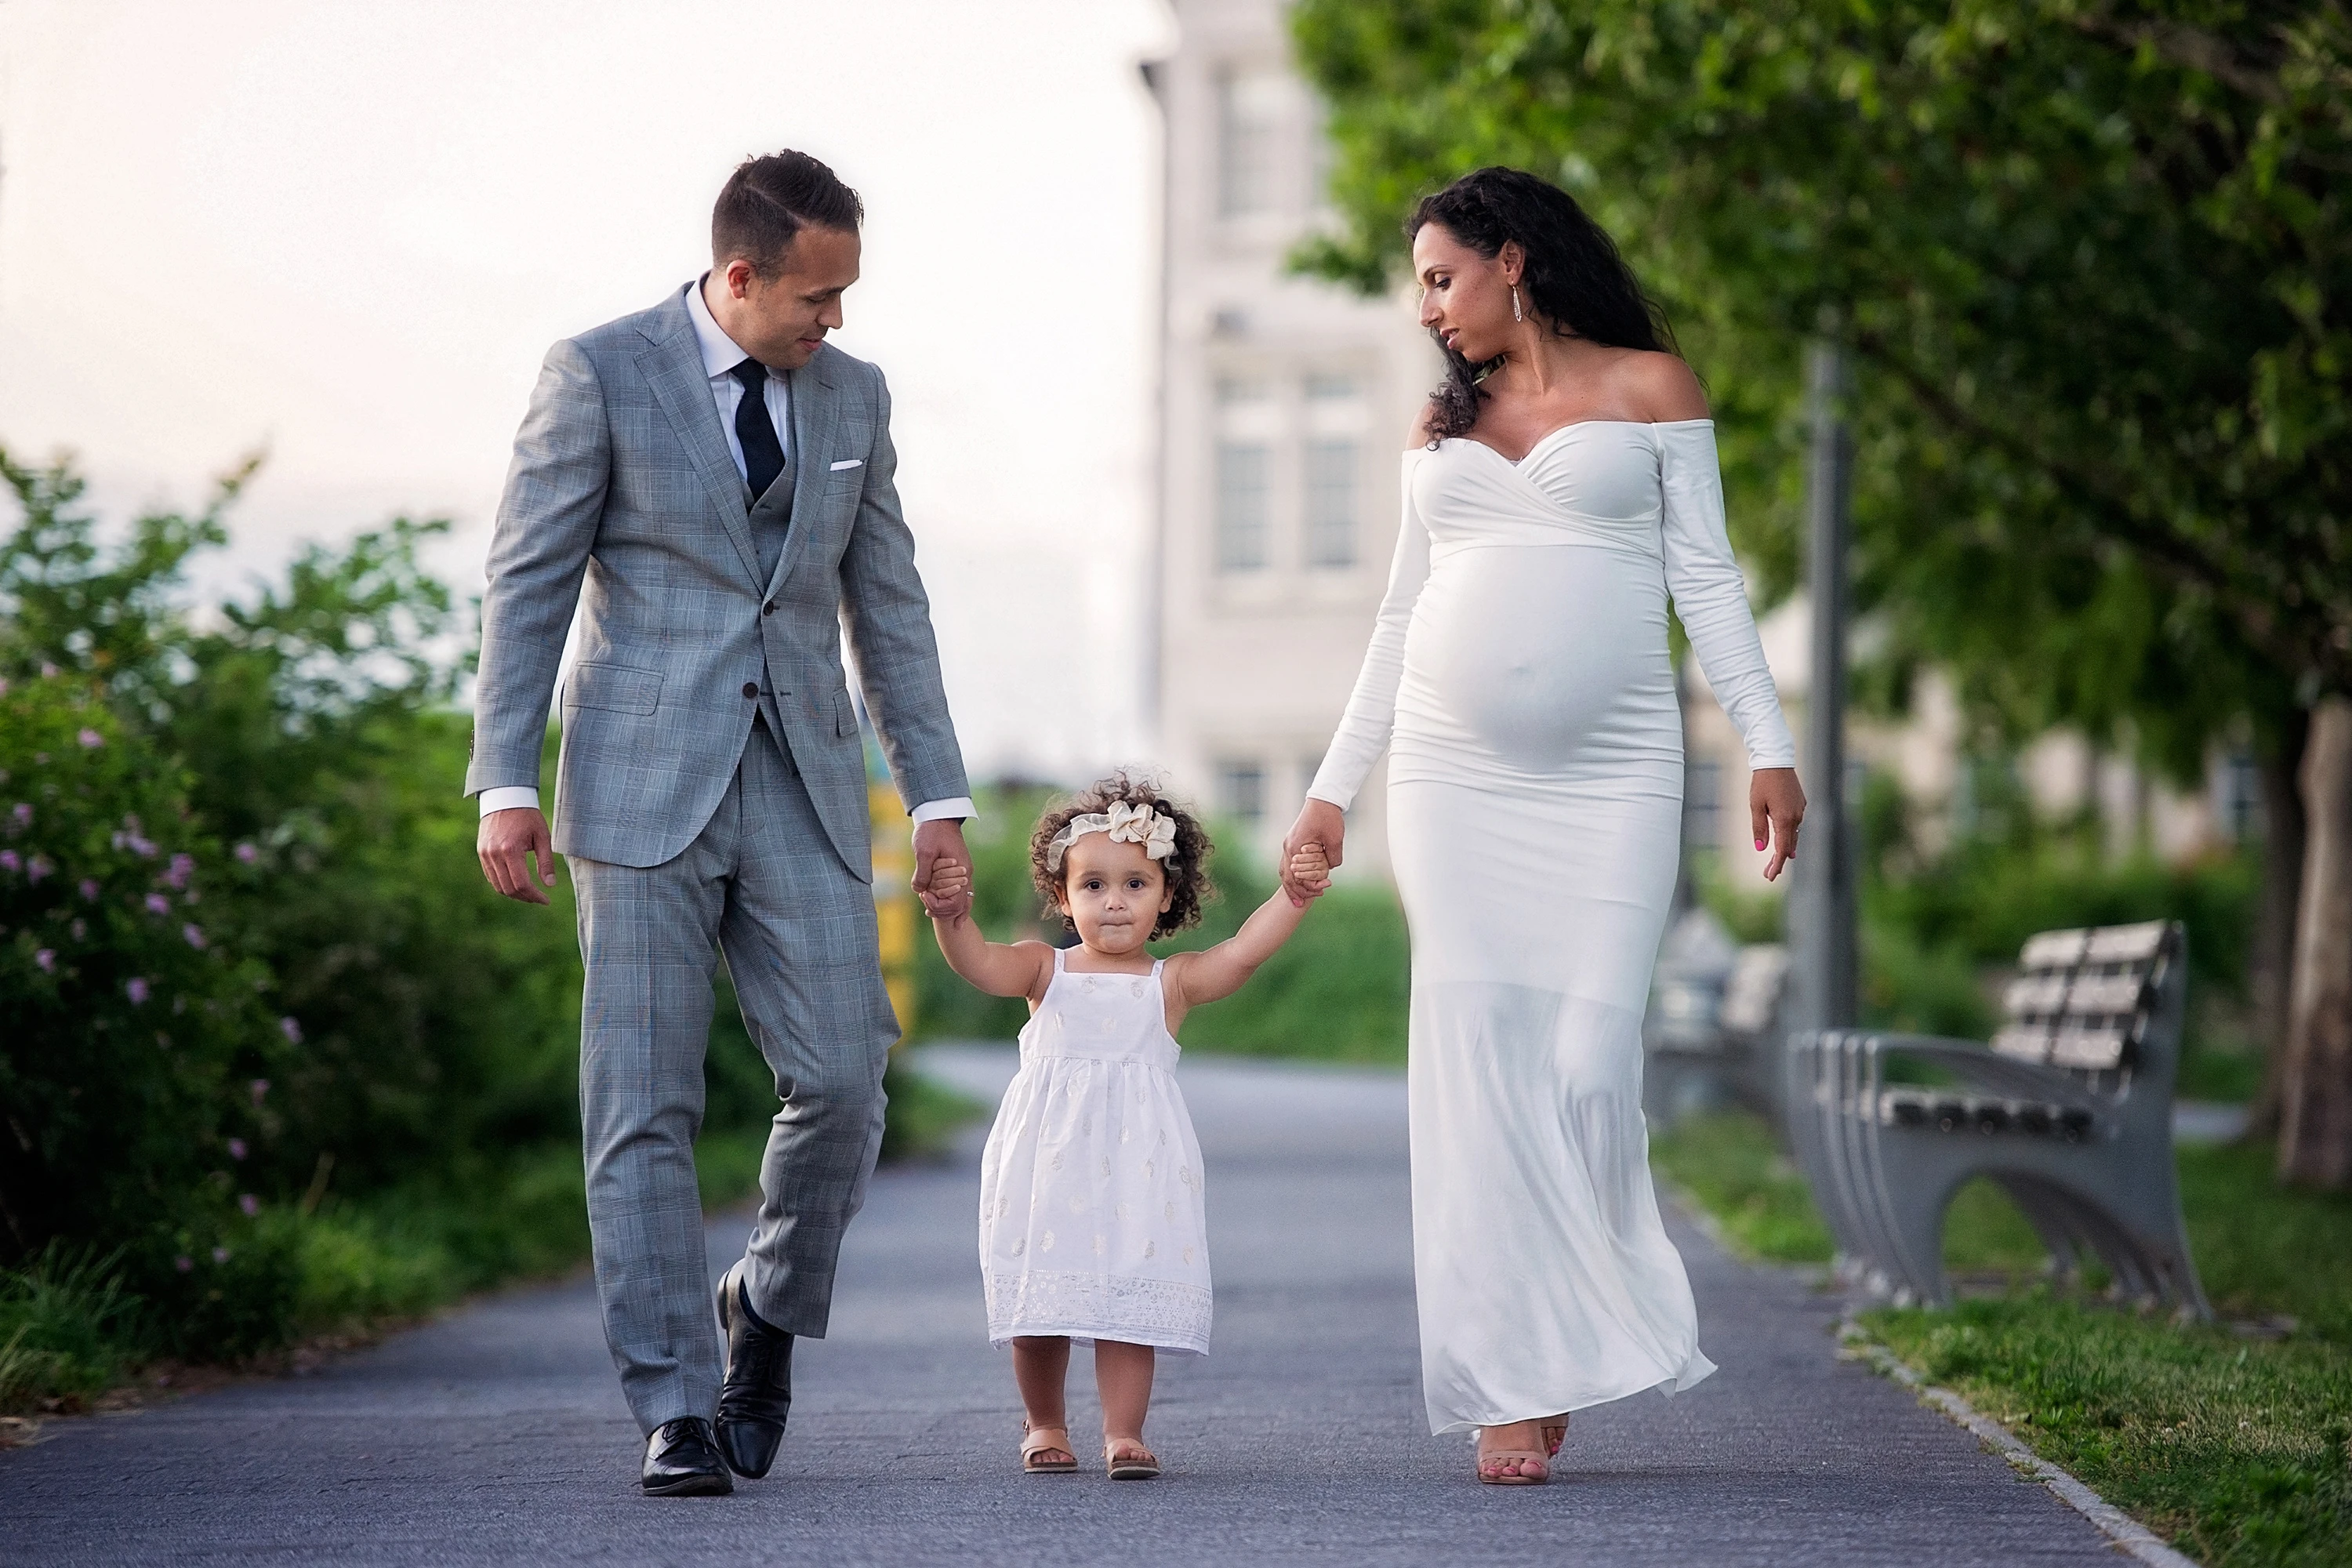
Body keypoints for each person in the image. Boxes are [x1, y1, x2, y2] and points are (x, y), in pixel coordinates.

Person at [1281, 166, 1806, 1486]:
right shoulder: (1438, 428)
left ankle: (1573, 1326)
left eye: (1442, 278)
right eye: (1419, 286)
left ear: (1514, 261)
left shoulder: (1652, 391)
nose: (1428, 310)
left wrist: (1772, 743)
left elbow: (1711, 584)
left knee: (1581, 1069)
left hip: (1618, 778)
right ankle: (1514, 1375)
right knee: (1475, 1076)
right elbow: (1401, 621)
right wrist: (1334, 788)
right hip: (1454, 789)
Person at [467, 151, 975, 1497]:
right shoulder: (600, 371)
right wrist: (503, 778)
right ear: (739, 276)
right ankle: (675, 1404)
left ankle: (764, 1302)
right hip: (637, 786)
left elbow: (893, 605)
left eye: (847, 295)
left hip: (805, 779)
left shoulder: (856, 395)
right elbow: (526, 582)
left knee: (849, 1073)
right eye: (817, 296)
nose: (837, 322)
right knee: (642, 1101)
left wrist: (936, 792)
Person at [920, 776, 1328, 1479]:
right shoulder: (1044, 971)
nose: (1114, 901)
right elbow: (978, 964)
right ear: (1062, 896)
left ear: (1167, 895)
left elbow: (1242, 954)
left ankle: (1123, 1431)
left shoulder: (1169, 984)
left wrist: (1291, 897)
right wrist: (950, 915)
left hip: (1139, 1170)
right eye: (1095, 885)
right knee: (1041, 1299)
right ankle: (1045, 1420)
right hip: (1048, 1164)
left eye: (1136, 884)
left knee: (1127, 1300)